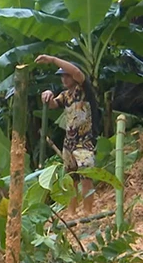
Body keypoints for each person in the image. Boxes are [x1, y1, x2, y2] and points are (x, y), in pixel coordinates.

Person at [36, 54, 101, 215]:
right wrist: (47, 94)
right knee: (71, 179)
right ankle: (71, 213)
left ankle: (87, 212)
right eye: (62, 76)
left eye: (66, 75)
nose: (64, 79)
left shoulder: (84, 89)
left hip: (85, 140)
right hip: (69, 143)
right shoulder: (65, 95)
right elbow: (52, 105)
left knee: (86, 177)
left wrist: (52, 60)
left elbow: (77, 71)